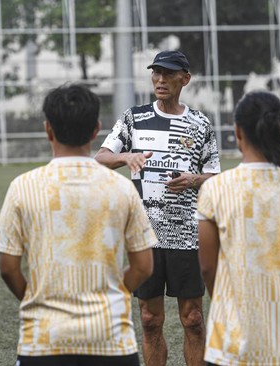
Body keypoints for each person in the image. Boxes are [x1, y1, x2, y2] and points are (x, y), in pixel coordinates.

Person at [0, 84, 155, 366]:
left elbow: (8, 268)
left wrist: (37, 300)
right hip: (111, 342)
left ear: (48, 130)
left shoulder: (24, 187)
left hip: (43, 341)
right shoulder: (122, 188)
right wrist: (111, 296)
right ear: (96, 130)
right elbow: (143, 267)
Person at [95, 50, 220, 366]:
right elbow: (100, 158)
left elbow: (215, 179)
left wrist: (193, 180)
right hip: (145, 238)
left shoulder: (199, 124)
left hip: (187, 236)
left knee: (192, 318)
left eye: (168, 74)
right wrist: (126, 157)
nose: (160, 80)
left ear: (185, 79)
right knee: (150, 319)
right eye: (156, 74)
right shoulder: (134, 118)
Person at [197, 91, 280, 366]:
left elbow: (207, 267)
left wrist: (230, 300)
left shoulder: (216, 189)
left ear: (237, 133)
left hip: (232, 343)